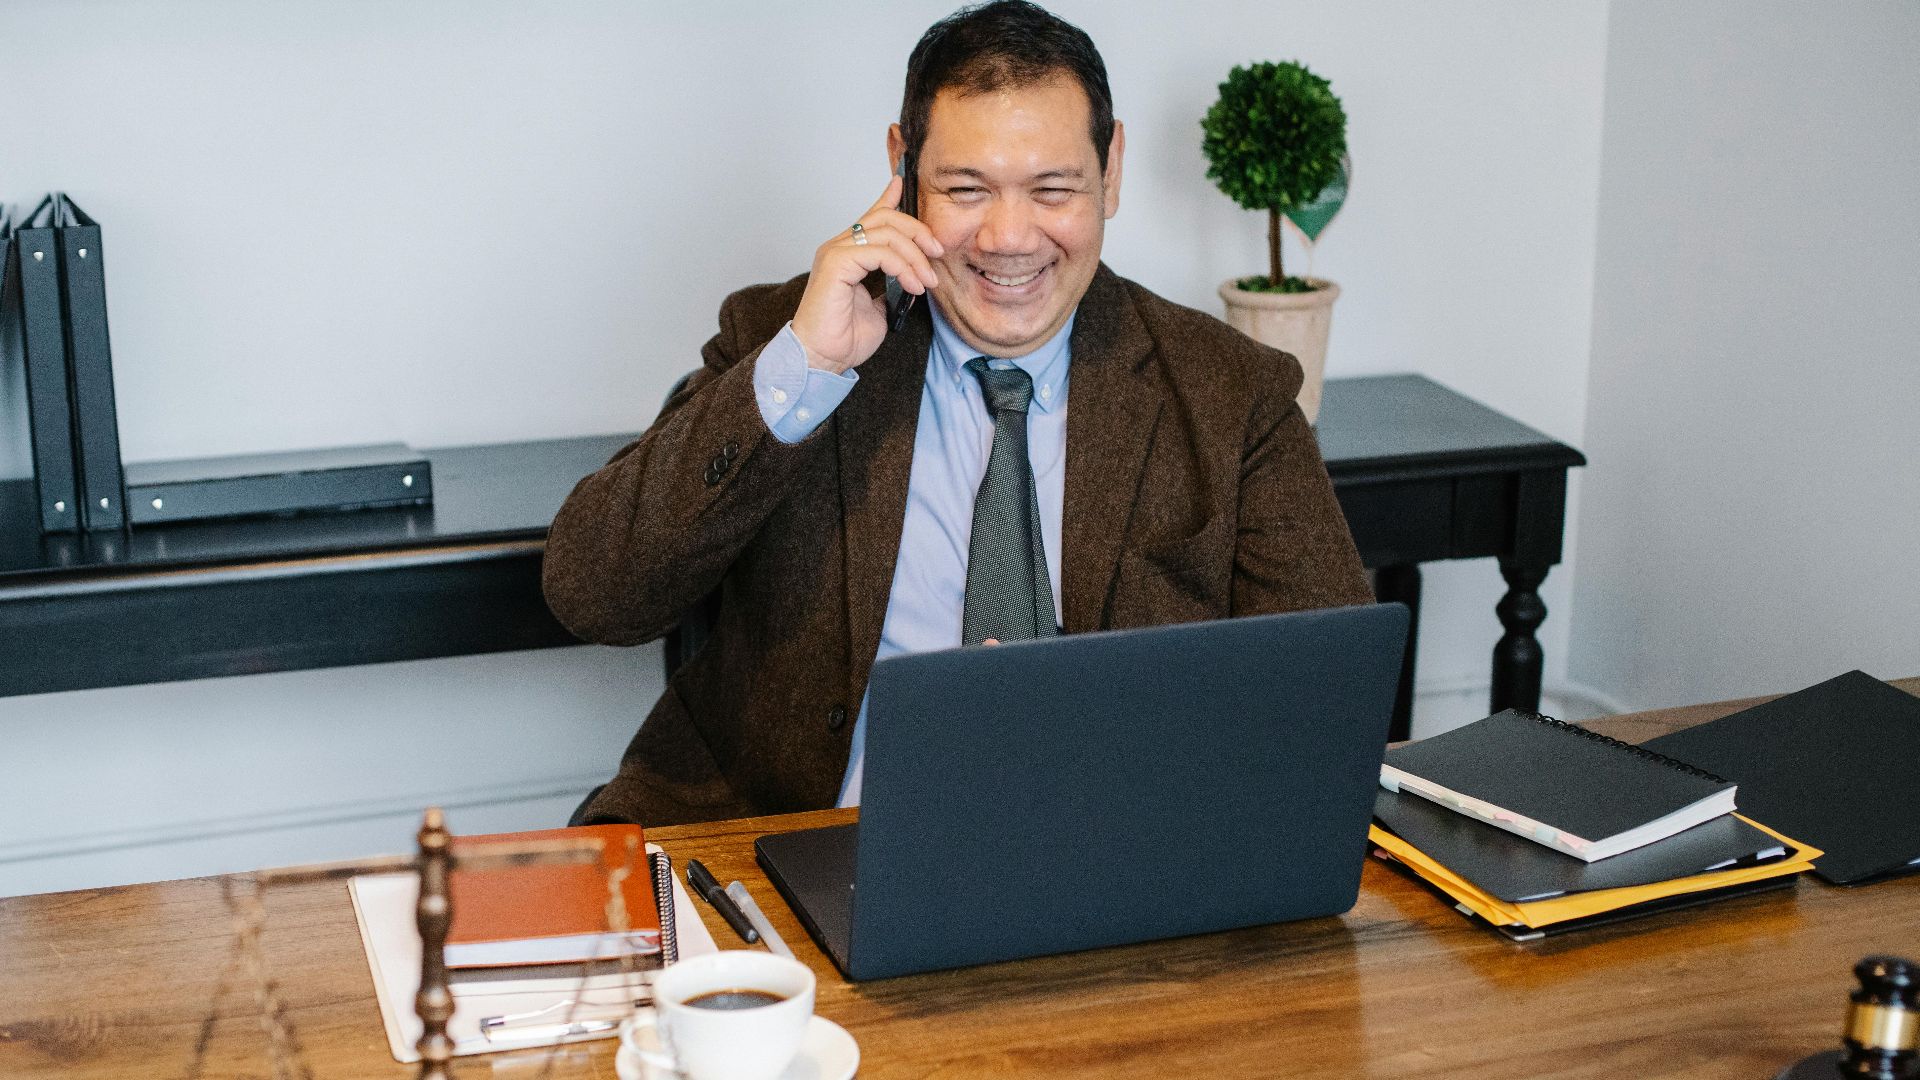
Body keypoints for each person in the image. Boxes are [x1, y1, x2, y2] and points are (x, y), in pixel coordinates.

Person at [544, 0, 1372, 827]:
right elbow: (593, 596)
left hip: (1105, 845)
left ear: (1111, 169)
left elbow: (1326, 701)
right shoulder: (787, 335)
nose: (1009, 238)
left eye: (1053, 189)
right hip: (778, 841)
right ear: (903, 168)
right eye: (967, 189)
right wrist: (809, 367)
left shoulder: (1233, 395)